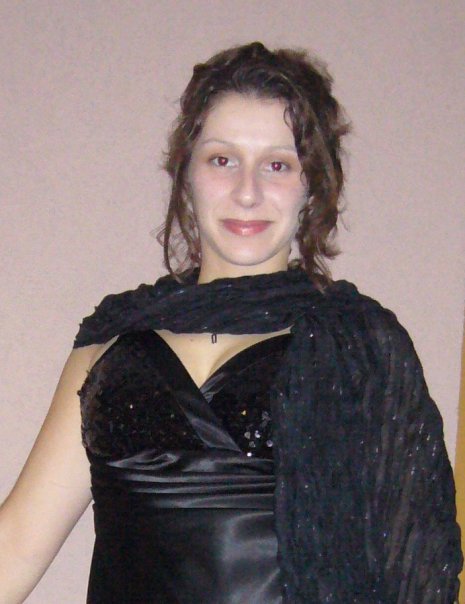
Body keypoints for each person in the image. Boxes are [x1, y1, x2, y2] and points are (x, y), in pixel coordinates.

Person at [0, 41, 462, 603]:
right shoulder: (110, 342)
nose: (248, 192)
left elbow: (412, 571)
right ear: (186, 175)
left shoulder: (361, 347)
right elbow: (16, 544)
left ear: (311, 186)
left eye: (277, 165)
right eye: (222, 160)